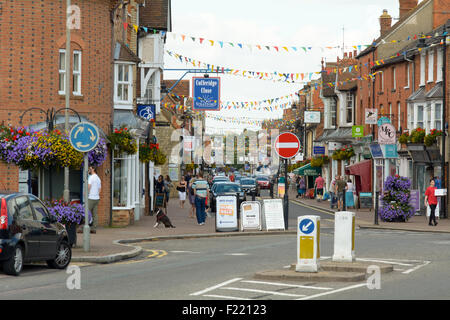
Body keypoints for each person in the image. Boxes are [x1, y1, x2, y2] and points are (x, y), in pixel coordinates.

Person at [88, 166, 101, 234]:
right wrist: (96, 194)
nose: (89, 170)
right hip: (97, 198)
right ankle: (94, 228)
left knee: (86, 212)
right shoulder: (98, 178)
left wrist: (87, 194)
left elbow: (89, 186)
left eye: (90, 169)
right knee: (95, 214)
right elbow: (99, 189)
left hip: (91, 198)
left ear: (93, 169)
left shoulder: (91, 177)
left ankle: (85, 226)